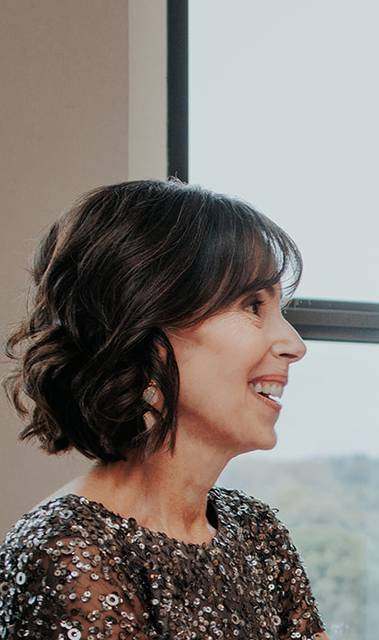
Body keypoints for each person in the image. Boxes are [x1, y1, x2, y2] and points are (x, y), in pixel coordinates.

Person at [0, 180, 328, 639]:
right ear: (146, 332)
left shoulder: (256, 532)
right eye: (253, 305)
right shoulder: (71, 553)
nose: (294, 345)